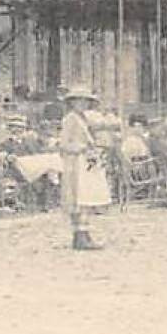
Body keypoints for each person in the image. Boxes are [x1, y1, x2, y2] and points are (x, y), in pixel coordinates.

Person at [59, 86, 111, 249]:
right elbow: (63, 144)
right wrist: (81, 148)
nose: (82, 104)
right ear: (72, 102)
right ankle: (79, 236)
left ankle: (83, 233)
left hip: (84, 162)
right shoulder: (70, 119)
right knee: (79, 198)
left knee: (86, 198)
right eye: (79, 100)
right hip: (76, 163)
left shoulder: (83, 119)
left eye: (85, 101)